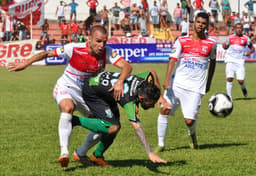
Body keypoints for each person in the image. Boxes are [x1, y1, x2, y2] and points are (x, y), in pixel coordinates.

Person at [7, 25, 132, 168]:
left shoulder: (107, 52)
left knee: (104, 126)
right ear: (89, 38)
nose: (102, 45)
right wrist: (26, 63)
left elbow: (127, 66)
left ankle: (81, 153)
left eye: (104, 42)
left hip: (87, 95)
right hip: (66, 87)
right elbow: (47, 54)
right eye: (98, 41)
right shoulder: (74, 48)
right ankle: (64, 152)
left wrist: (120, 82)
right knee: (68, 107)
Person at [72, 70, 168, 166]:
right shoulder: (129, 100)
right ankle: (74, 120)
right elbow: (137, 128)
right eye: (151, 103)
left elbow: (152, 72)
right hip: (92, 92)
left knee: (116, 124)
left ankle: (97, 156)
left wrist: (160, 96)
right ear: (141, 98)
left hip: (104, 89)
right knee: (113, 126)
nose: (152, 106)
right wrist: (150, 153)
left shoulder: (144, 82)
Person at [155, 12, 217, 152]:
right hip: (176, 84)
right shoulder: (182, 41)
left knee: (189, 121)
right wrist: (166, 79)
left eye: (204, 23)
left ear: (207, 26)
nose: (200, 25)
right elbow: (172, 60)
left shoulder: (211, 44)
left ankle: (192, 135)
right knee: (164, 109)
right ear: (194, 23)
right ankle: (161, 144)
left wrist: (209, 82)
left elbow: (212, 64)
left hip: (195, 87)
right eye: (199, 22)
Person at [222, 23, 255, 100]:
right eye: (237, 28)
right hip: (230, 60)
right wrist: (224, 46)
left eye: (240, 28)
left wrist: (248, 53)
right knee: (229, 78)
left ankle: (243, 88)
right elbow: (225, 47)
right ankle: (229, 97)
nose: (239, 29)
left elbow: (252, 48)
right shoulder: (230, 38)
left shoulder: (246, 39)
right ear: (235, 29)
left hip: (240, 62)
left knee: (240, 80)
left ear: (242, 29)